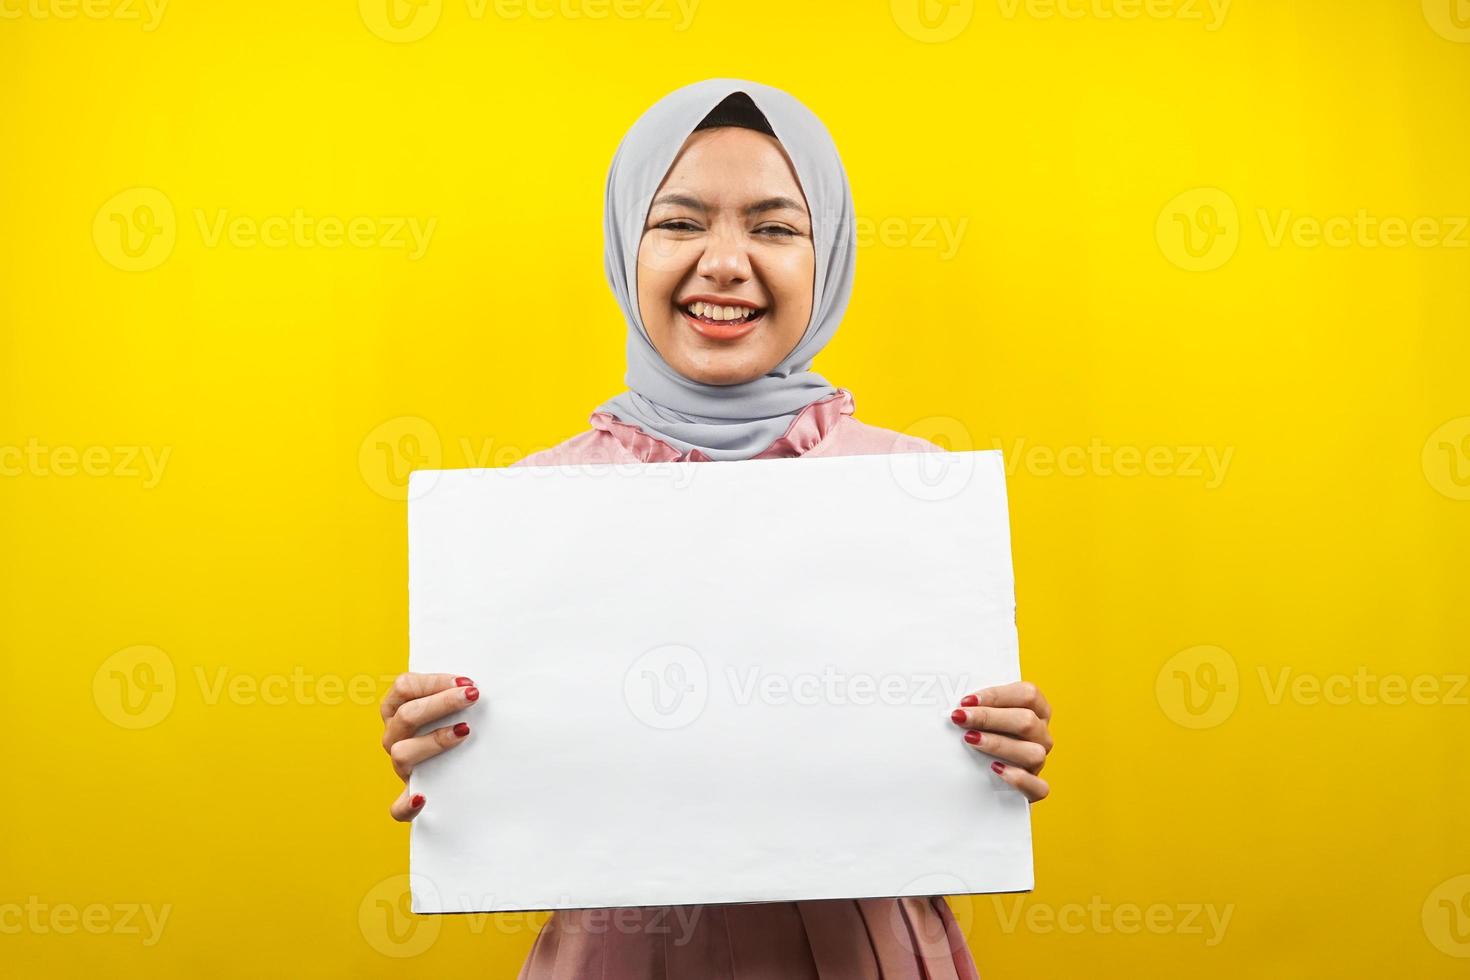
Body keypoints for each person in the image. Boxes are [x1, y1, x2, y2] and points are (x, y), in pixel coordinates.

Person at [379, 78, 1055, 979]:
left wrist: (996, 745)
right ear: (627, 245)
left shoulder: (915, 489)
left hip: (866, 953)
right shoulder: (536, 507)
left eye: (775, 227)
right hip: (627, 957)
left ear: (830, 256)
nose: (726, 263)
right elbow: (520, 773)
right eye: (681, 222)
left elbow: (942, 761)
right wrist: (449, 748)